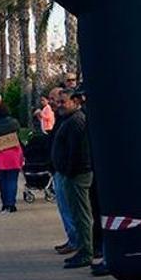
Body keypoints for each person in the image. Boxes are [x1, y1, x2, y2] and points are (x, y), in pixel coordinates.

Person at [52, 88, 94, 269]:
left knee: (81, 214)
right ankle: (82, 249)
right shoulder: (69, 121)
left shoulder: (76, 122)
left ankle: (86, 252)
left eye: (64, 102)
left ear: (75, 102)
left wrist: (69, 172)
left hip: (77, 175)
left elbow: (77, 152)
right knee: (76, 214)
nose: (60, 106)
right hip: (71, 174)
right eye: (59, 102)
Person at [0, 104, 24, 214]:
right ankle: (11, 204)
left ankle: (5, 204)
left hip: (0, 155)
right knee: (12, 180)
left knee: (2, 181)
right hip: (14, 154)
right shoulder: (14, 123)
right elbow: (18, 132)